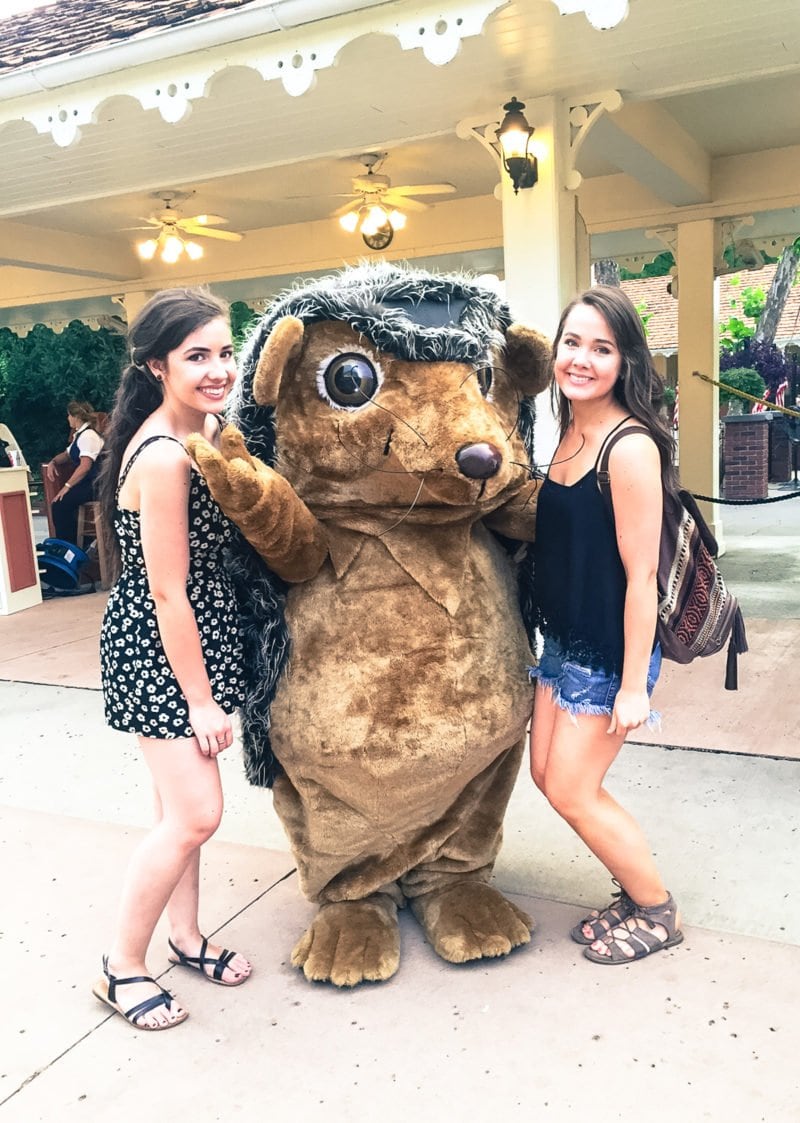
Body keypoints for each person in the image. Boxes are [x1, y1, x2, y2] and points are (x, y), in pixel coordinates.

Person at [93, 288, 251, 1031]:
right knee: (196, 813)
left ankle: (184, 937)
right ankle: (122, 964)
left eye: (224, 351)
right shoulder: (163, 456)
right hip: (163, 646)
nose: (217, 368)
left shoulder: (211, 429)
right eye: (197, 356)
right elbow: (166, 591)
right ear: (158, 365)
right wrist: (201, 699)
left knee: (175, 809)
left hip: (192, 637)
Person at [529, 285, 683, 965]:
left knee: (572, 787)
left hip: (608, 652)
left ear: (625, 361)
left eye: (602, 347)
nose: (582, 359)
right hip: (560, 642)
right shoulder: (567, 431)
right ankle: (630, 888)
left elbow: (641, 576)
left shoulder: (629, 446)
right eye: (572, 343)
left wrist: (632, 686)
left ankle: (656, 909)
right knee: (545, 775)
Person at [45, 401, 105, 545]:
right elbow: (66, 455)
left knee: (60, 505)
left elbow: (85, 466)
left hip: (96, 484)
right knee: (63, 505)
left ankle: (69, 546)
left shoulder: (88, 436)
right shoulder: (80, 435)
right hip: (89, 483)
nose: (68, 419)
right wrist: (53, 462)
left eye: (69, 415)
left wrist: (67, 486)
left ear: (76, 417)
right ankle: (77, 543)